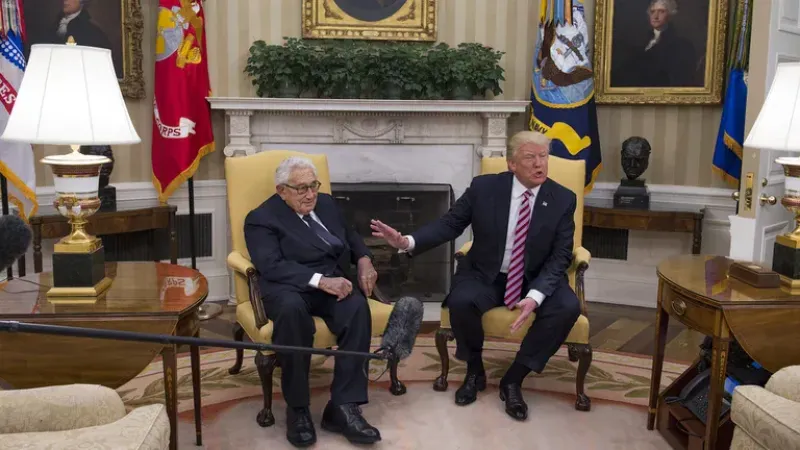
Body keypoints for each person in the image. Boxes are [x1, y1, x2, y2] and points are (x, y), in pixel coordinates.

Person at [371, 131, 581, 421]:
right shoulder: (484, 189)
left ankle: (514, 378)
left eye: (543, 157)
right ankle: (474, 370)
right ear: (512, 164)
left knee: (567, 307)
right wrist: (407, 242)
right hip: (487, 273)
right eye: (530, 157)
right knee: (461, 301)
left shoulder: (562, 199)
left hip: (536, 276)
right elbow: (450, 224)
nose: (539, 164)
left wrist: (535, 297)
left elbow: (561, 256)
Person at [244, 157, 381, 447]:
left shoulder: (328, 204)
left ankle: (343, 407)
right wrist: (320, 280)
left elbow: (351, 235)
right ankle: (298, 409)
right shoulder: (261, 218)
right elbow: (271, 265)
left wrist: (365, 259)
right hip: (288, 289)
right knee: (293, 314)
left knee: (357, 308)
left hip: (332, 284)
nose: (310, 195)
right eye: (301, 188)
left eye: (314, 186)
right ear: (282, 190)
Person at [611, 0, 698, 88]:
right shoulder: (642, 42)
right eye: (652, 12)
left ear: (670, 15)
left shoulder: (681, 45)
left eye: (661, 11)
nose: (655, 16)